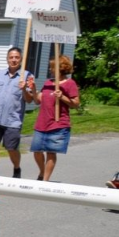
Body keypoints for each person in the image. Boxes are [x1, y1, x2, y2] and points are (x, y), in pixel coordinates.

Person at [0, 46, 36, 177]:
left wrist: (24, 89)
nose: (14, 60)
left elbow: (30, 100)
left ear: (21, 59)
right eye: (11, 57)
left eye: (17, 57)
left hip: (13, 120)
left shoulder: (27, 76)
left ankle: (17, 167)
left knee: (11, 148)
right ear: (7, 59)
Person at [31, 54, 80, 182]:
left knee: (51, 152)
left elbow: (76, 104)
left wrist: (62, 97)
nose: (50, 69)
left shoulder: (70, 84)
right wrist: (33, 89)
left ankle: (45, 180)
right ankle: (42, 172)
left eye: (52, 67)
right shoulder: (48, 83)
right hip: (42, 123)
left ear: (61, 68)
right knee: (37, 151)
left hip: (58, 123)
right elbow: (37, 100)